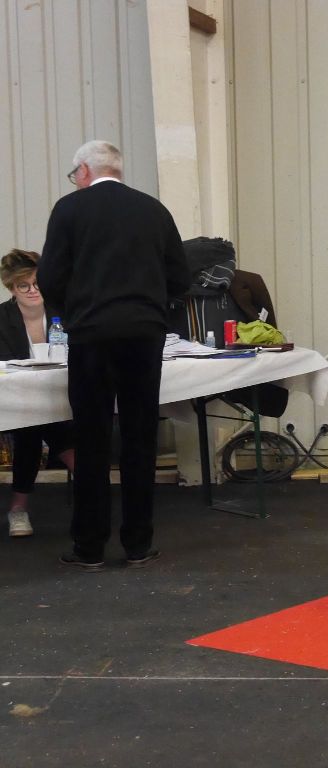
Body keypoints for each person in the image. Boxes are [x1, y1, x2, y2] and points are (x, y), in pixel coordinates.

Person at [37, 140, 190, 571]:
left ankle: (89, 547)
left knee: (92, 439)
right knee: (141, 436)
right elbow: (180, 276)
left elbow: (49, 277)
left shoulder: (69, 210)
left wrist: (74, 313)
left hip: (91, 335)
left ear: (84, 170)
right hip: (144, 335)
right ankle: (138, 543)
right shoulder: (154, 211)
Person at [0, 249, 76, 537]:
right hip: (17, 400)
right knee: (32, 426)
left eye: (37, 283)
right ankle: (82, 472)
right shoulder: (2, 318)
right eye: (24, 286)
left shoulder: (64, 312)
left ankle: (18, 508)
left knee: (38, 425)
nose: (33, 291)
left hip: (62, 393)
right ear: (12, 288)